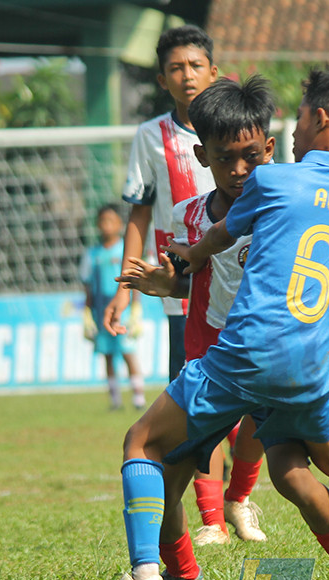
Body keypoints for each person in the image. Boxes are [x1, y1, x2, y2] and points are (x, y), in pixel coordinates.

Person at [86, 59, 329, 580]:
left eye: (299, 119)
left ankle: (144, 575)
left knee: (143, 442)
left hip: (242, 356)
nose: (295, 129)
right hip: (309, 365)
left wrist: (182, 261)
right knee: (304, 464)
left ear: (319, 118)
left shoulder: (276, 181)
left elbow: (219, 235)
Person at [118, 77, 276, 549]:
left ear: (269, 149)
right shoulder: (186, 214)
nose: (240, 169)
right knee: (201, 433)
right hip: (207, 340)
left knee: (257, 430)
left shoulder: (282, 207)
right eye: (225, 158)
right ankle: (211, 522)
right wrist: (166, 283)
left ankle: (238, 499)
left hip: (266, 341)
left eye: (251, 156)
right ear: (203, 156)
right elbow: (187, 275)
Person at [101, 24, 217, 382]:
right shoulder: (151, 136)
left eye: (195, 65)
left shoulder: (233, 129)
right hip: (180, 286)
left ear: (213, 72)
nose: (187, 75)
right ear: (163, 80)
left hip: (236, 279)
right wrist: (124, 288)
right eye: (176, 68)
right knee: (192, 404)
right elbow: (140, 212)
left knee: (247, 408)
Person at [79, 203, 146, 410]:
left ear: (119, 224)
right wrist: (87, 313)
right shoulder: (92, 254)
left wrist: (136, 309)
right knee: (107, 355)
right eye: (102, 221)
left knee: (127, 352)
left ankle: (138, 397)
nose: (106, 225)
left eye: (111, 221)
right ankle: (115, 398)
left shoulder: (126, 250)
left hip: (122, 312)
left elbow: (134, 280)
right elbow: (87, 284)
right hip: (101, 312)